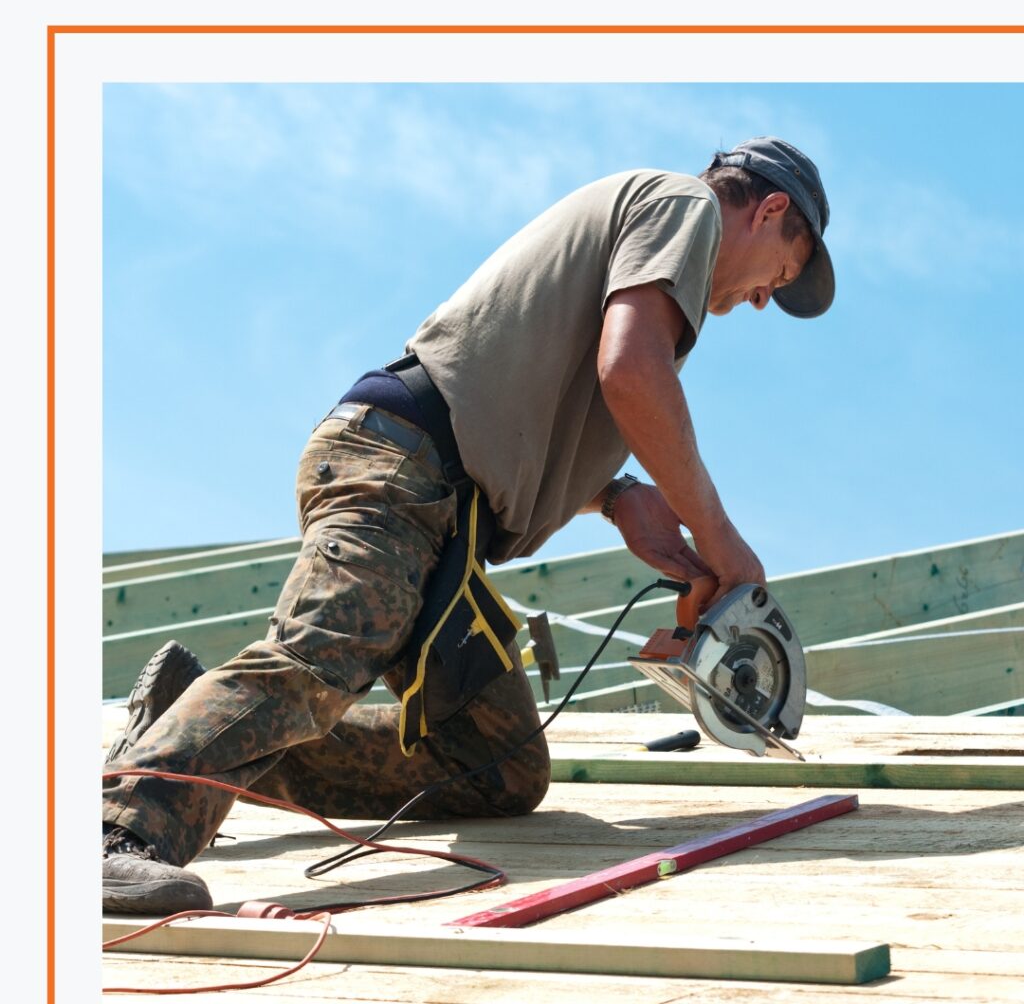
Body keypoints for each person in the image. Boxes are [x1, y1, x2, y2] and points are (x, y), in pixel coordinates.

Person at [102, 136, 834, 914]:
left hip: (444, 516)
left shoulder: (650, 241)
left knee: (500, 768)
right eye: (780, 274)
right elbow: (630, 371)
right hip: (399, 467)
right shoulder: (683, 207)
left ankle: (184, 722)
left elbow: (528, 404)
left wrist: (619, 499)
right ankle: (119, 833)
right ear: (771, 208)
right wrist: (720, 539)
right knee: (323, 657)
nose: (762, 299)